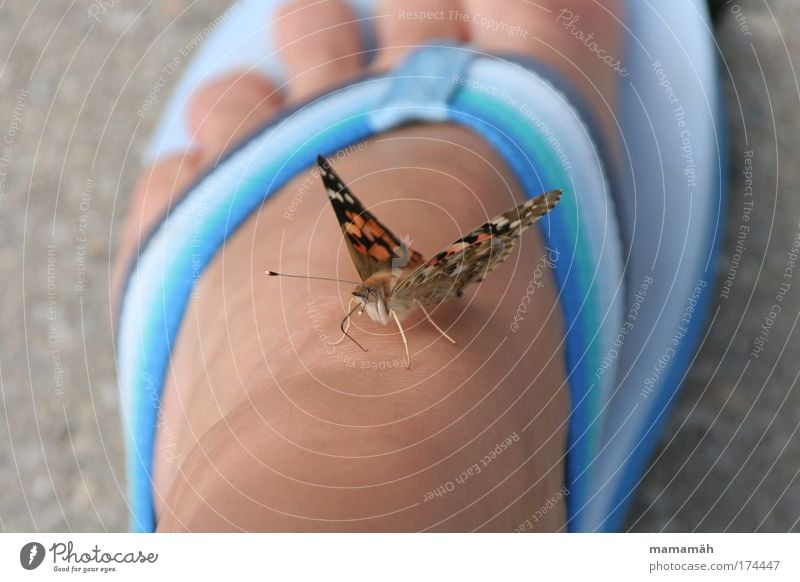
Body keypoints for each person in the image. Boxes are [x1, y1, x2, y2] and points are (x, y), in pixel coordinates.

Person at [113, 0, 660, 532]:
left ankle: (231, 465)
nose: (353, 302)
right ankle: (482, 467)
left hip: (446, 283)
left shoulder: (396, 287)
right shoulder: (373, 291)